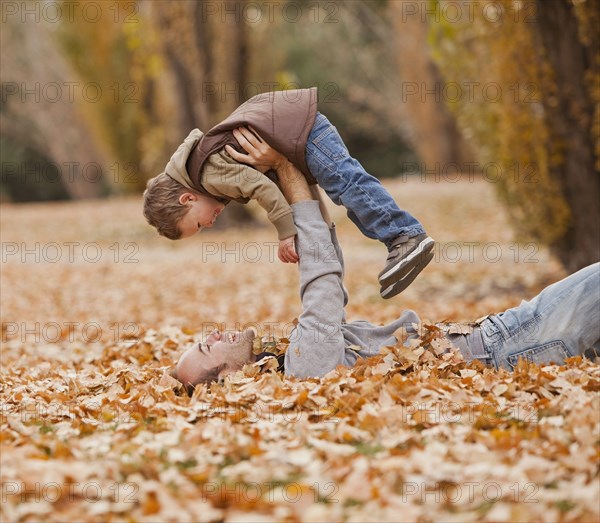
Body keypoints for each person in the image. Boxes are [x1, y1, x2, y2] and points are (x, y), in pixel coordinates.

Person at [173, 131, 600, 392]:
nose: (214, 335)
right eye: (208, 347)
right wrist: (285, 166)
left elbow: (326, 259)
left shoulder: (297, 360)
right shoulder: (305, 368)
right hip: (508, 347)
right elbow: (322, 278)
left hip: (503, 338)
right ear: (231, 381)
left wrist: (295, 171)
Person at [143, 87, 435, 299]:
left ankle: (404, 235)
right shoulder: (204, 168)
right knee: (342, 191)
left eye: (198, 224)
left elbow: (262, 188)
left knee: (346, 182)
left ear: (187, 198)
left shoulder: (208, 173)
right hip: (297, 134)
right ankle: (379, 257)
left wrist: (284, 233)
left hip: (302, 132)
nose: (209, 225)